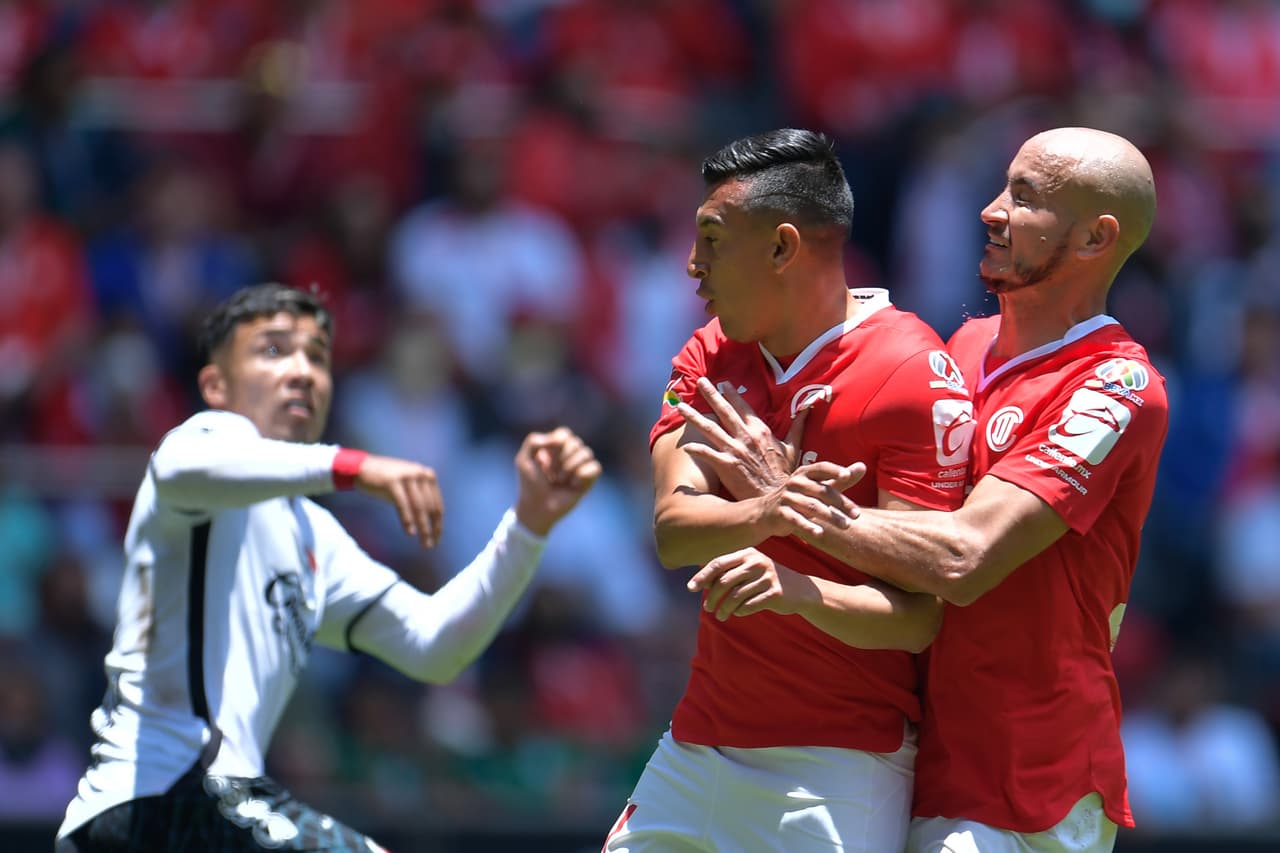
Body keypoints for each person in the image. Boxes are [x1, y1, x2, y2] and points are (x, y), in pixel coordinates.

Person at [684, 127, 1167, 852]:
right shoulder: (959, 349)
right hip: (922, 762)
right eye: (1003, 186)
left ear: (1097, 238)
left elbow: (964, 559)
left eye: (1026, 198)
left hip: (1025, 779)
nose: (991, 210)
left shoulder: (1115, 386)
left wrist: (786, 499)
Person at [54, 283, 602, 852]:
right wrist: (353, 467)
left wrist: (528, 526)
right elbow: (181, 468)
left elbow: (435, 646)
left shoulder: (314, 536)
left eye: (316, 356)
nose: (302, 372)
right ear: (216, 387)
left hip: (196, 817)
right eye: (273, 351)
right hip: (158, 804)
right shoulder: (206, 439)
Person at [604, 128, 976, 852]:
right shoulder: (711, 351)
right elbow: (675, 528)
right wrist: (775, 506)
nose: (692, 266)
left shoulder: (910, 375)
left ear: (781, 247)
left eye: (712, 240)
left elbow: (916, 615)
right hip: (696, 747)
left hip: (835, 769)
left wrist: (792, 582)